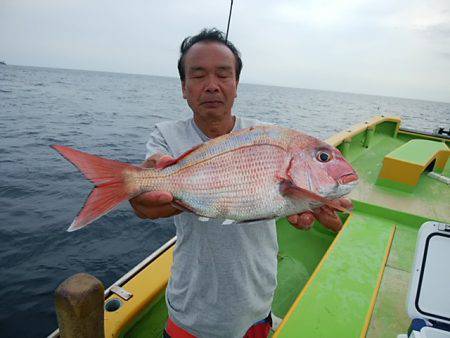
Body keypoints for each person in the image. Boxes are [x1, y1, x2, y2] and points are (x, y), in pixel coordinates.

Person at [130, 28, 351, 338]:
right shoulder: (166, 137)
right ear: (183, 87)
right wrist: (142, 189)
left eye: (223, 75)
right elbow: (146, 207)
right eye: (198, 75)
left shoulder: (267, 135)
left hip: (257, 299)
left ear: (236, 85)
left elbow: (277, 198)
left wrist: (304, 204)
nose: (211, 86)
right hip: (192, 306)